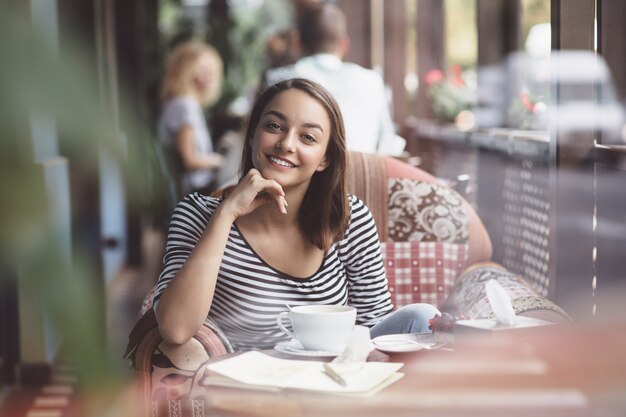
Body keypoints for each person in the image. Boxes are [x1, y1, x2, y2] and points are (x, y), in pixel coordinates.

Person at [153, 78, 439, 351]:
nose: (287, 144)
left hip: (333, 382)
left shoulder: (349, 220)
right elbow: (175, 330)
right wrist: (226, 214)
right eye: (275, 126)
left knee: (422, 316)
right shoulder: (196, 214)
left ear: (325, 158)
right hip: (248, 387)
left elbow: (373, 329)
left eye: (307, 137)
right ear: (252, 135)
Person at [263, 3, 405, 156]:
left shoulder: (278, 80)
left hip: (298, 174)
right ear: (345, 44)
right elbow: (388, 142)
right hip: (361, 175)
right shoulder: (372, 81)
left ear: (297, 42)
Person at [158, 41, 225, 197]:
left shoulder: (178, 102)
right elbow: (189, 160)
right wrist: (218, 161)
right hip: (194, 196)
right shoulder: (185, 106)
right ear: (184, 71)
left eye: (211, 71)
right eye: (202, 69)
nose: (208, 76)